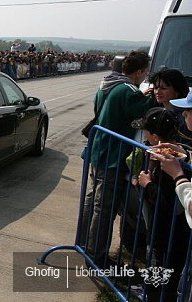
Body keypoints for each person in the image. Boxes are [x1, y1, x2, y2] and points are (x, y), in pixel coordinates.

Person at [82, 50, 153, 268]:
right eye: (146, 72)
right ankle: (97, 255)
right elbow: (148, 112)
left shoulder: (107, 84)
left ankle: (85, 243)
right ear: (139, 72)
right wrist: (147, 97)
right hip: (112, 155)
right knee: (105, 207)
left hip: (98, 150)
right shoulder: (129, 91)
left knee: (93, 200)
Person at [136, 108, 191, 301]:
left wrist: (147, 184)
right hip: (175, 232)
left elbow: (166, 202)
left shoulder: (171, 165)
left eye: (147, 133)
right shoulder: (176, 156)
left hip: (166, 233)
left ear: (156, 136)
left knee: (160, 270)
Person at [149, 68, 192, 145]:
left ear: (177, 90)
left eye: (163, 88)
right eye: (155, 88)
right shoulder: (154, 110)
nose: (157, 92)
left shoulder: (185, 119)